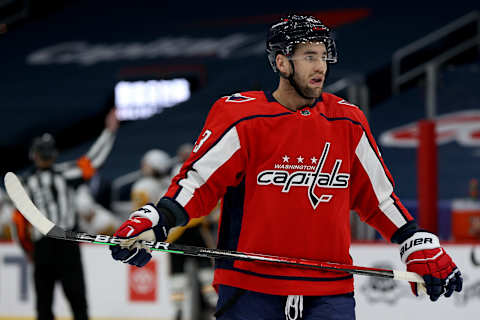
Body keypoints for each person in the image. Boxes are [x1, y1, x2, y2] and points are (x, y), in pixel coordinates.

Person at [109, 15, 463, 320]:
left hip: (329, 292)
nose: (320, 66)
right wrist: (159, 220)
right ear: (281, 62)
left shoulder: (348, 121)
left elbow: (379, 199)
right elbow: (200, 183)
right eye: (309, 56)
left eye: (323, 56)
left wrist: (414, 240)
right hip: (251, 290)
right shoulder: (242, 117)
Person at [13, 109, 119, 320]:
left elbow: (19, 225)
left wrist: (29, 251)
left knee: (47, 303)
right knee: (76, 300)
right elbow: (94, 160)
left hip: (46, 245)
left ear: (34, 155)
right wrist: (109, 132)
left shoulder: (25, 183)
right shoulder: (65, 173)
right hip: (65, 242)